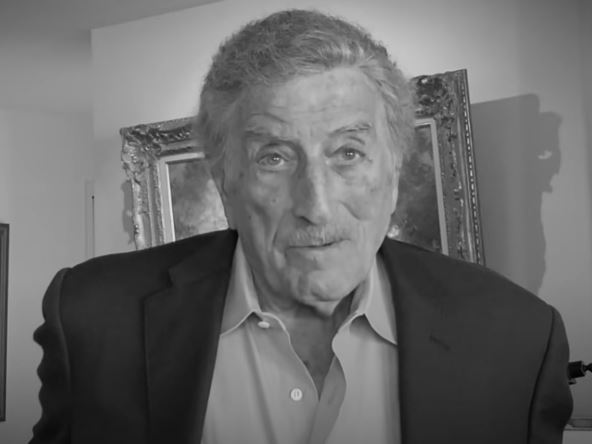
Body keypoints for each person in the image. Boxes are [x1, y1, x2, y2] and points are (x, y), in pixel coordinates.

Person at [30, 9, 572, 444]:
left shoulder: (518, 340)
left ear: (394, 170)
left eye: (348, 152)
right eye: (274, 157)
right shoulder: (92, 319)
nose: (316, 206)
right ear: (225, 181)